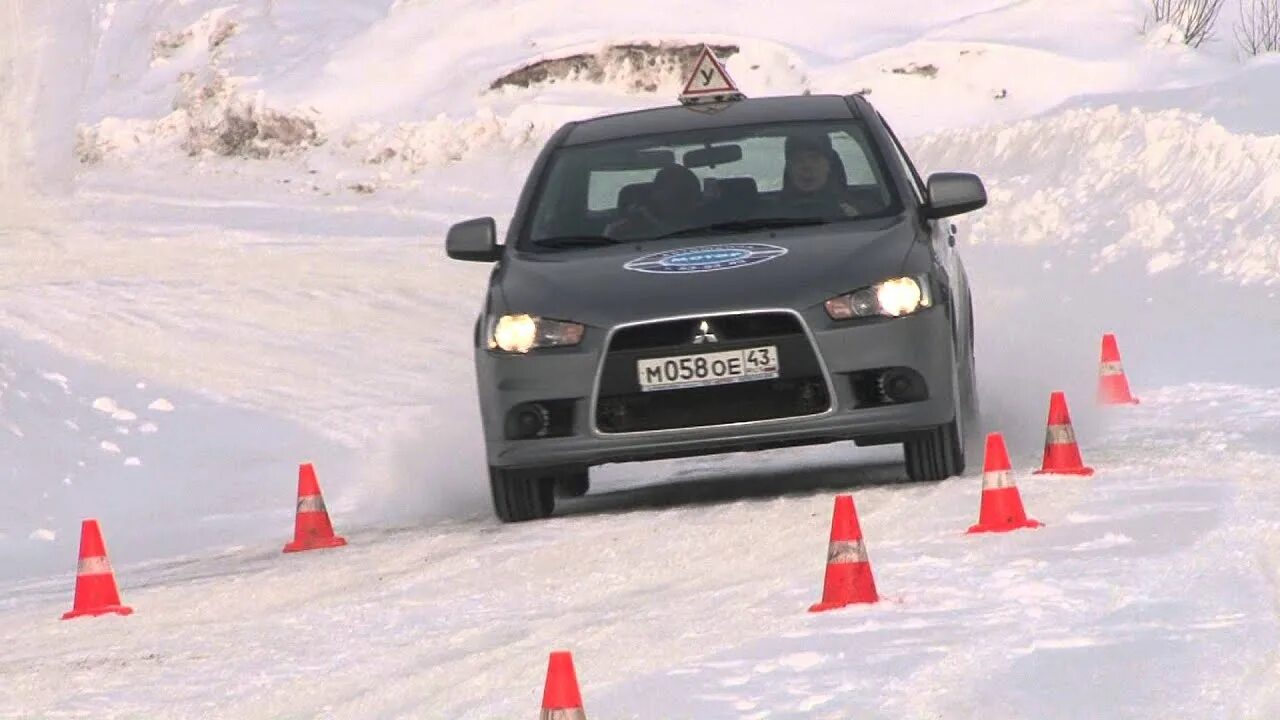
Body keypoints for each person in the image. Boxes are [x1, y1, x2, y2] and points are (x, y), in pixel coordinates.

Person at [605, 163, 703, 239]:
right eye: (672, 191)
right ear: (655, 194)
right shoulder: (631, 227)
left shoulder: (710, 223)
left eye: (684, 193)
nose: (679, 198)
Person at [780, 131, 862, 219]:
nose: (807, 166)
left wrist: (854, 219)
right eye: (798, 159)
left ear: (829, 165)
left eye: (814, 158)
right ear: (789, 168)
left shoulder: (855, 212)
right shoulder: (771, 214)